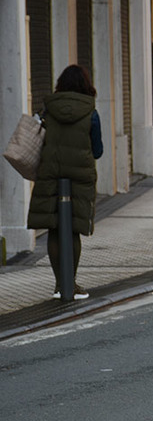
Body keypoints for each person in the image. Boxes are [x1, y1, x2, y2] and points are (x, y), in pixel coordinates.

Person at [26, 64, 104, 300]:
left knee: (54, 228)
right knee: (74, 229)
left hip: (51, 174)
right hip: (80, 177)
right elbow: (98, 151)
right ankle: (70, 283)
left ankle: (60, 284)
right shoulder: (91, 112)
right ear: (86, 85)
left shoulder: (48, 110)